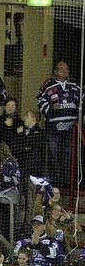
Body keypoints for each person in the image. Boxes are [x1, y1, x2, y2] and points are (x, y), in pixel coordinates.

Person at [36, 61, 80, 190]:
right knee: (53, 154)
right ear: (55, 71)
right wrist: (49, 108)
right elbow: (39, 99)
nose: (63, 71)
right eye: (60, 68)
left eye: (65, 69)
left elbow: (81, 101)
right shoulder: (48, 84)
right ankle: (55, 183)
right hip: (53, 127)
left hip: (71, 127)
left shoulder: (75, 85)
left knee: (68, 155)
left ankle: (67, 184)